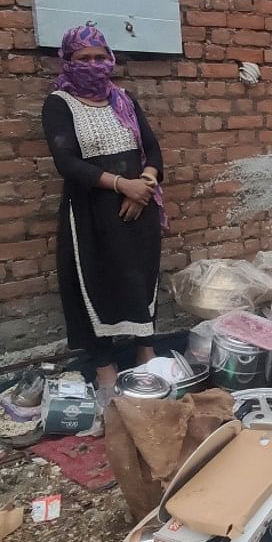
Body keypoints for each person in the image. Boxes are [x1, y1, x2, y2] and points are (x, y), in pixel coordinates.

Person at [42, 23, 167, 392]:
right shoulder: (59, 104)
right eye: (84, 58)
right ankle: (105, 365)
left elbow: (153, 149)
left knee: (141, 279)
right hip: (91, 212)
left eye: (100, 57)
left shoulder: (124, 100)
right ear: (67, 61)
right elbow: (67, 162)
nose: (94, 64)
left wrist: (142, 185)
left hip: (138, 208)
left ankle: (146, 353)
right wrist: (120, 184)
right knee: (94, 283)